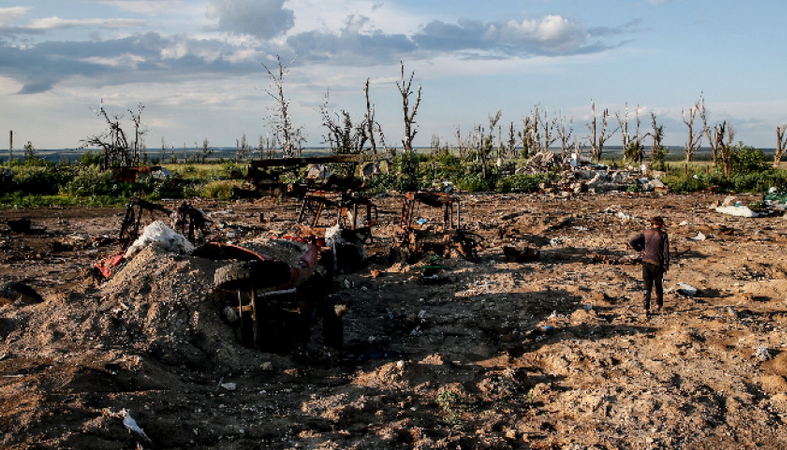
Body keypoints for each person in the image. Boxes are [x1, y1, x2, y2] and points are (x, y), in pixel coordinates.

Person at [629, 216, 670, 319]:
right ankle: (658, 304)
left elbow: (632, 240)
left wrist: (639, 249)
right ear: (660, 224)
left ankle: (646, 308)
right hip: (657, 263)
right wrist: (666, 265)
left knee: (647, 287)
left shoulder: (645, 233)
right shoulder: (663, 235)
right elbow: (666, 252)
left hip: (646, 262)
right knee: (658, 285)